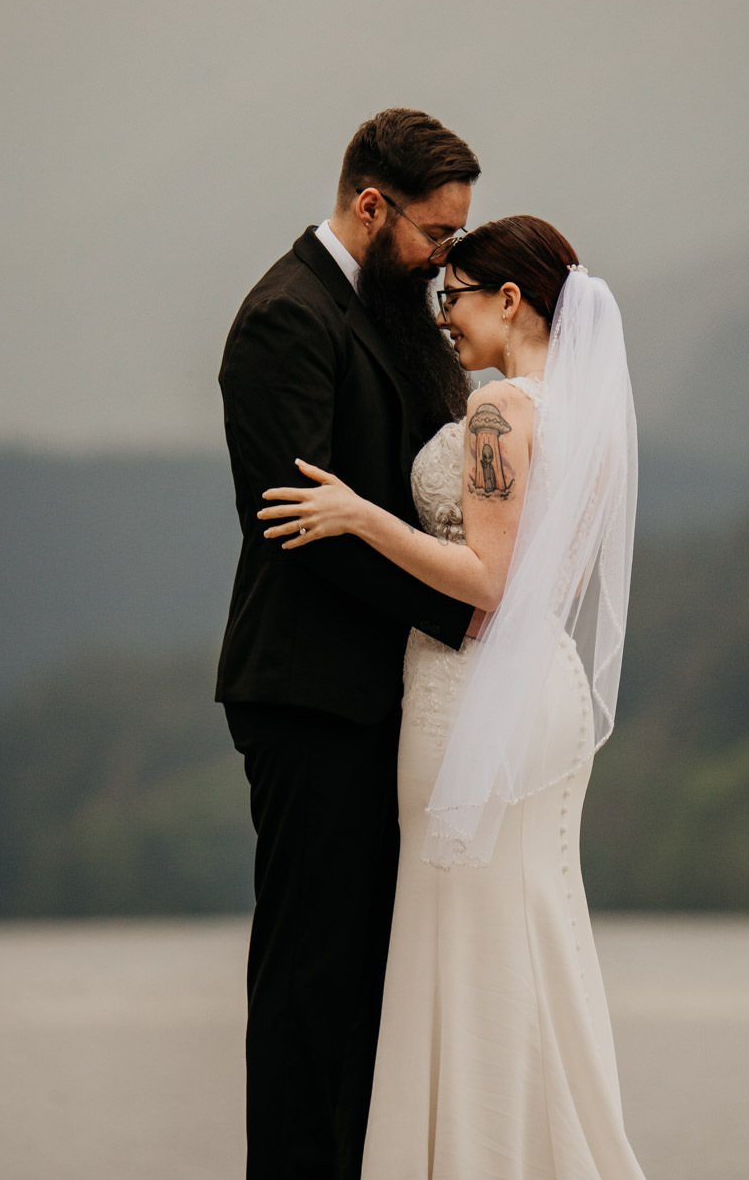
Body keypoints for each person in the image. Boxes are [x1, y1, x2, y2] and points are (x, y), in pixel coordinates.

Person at [260, 215, 646, 1179]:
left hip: (474, 690)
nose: (444, 320)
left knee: (467, 937)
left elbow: (487, 578)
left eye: (455, 296)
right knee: (534, 930)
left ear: (508, 299)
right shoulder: (582, 415)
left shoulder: (498, 413)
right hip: (538, 686)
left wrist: (360, 516)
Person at [216, 107, 481, 1180]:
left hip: (386, 693)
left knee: (373, 974)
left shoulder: (385, 309)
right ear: (371, 206)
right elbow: (299, 526)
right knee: (311, 979)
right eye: (433, 236)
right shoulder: (286, 317)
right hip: (312, 694)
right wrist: (467, 613)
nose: (442, 261)